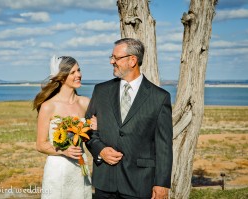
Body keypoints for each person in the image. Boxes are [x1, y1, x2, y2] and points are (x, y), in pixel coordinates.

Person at [86, 38, 173, 199]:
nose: (112, 61)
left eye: (116, 58)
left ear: (132, 60)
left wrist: (162, 183)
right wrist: (100, 150)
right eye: (111, 57)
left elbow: (164, 145)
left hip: (140, 184)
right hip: (105, 183)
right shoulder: (101, 91)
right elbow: (87, 130)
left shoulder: (159, 97)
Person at [33, 55, 96, 199]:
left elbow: (94, 135)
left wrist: (96, 126)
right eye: (73, 72)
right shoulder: (48, 106)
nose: (79, 75)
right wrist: (64, 151)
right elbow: (40, 145)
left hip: (81, 166)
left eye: (79, 70)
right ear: (61, 77)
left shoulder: (86, 103)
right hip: (58, 168)